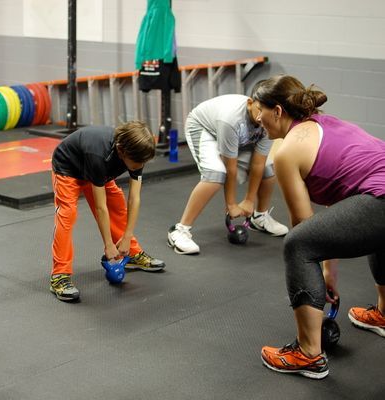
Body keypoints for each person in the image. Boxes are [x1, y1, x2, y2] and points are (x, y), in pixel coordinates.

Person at [254, 75, 385, 379]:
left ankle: (309, 353)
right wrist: (329, 272)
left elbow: (306, 228)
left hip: (380, 197)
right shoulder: (326, 123)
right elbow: (339, 199)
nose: (258, 119)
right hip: (379, 195)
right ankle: (382, 315)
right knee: (378, 230)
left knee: (297, 243)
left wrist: (321, 268)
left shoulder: (287, 152)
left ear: (277, 110)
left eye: (260, 111)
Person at [50, 121, 166, 302]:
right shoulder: (100, 155)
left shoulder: (137, 151)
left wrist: (126, 237)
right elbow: (100, 207)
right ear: (121, 151)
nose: (140, 165)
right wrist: (109, 245)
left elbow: (134, 198)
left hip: (98, 170)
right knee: (67, 215)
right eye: (137, 163)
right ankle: (59, 276)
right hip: (69, 167)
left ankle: (133, 254)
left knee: (118, 204)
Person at [167, 91, 289, 255]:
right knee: (216, 174)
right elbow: (230, 168)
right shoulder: (231, 118)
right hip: (205, 128)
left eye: (265, 112)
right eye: (258, 110)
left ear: (276, 112)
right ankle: (179, 230)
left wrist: (248, 201)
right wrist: (231, 204)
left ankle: (259, 217)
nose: (260, 117)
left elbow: (258, 164)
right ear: (250, 103)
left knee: (269, 168)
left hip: (235, 136)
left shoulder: (270, 122)